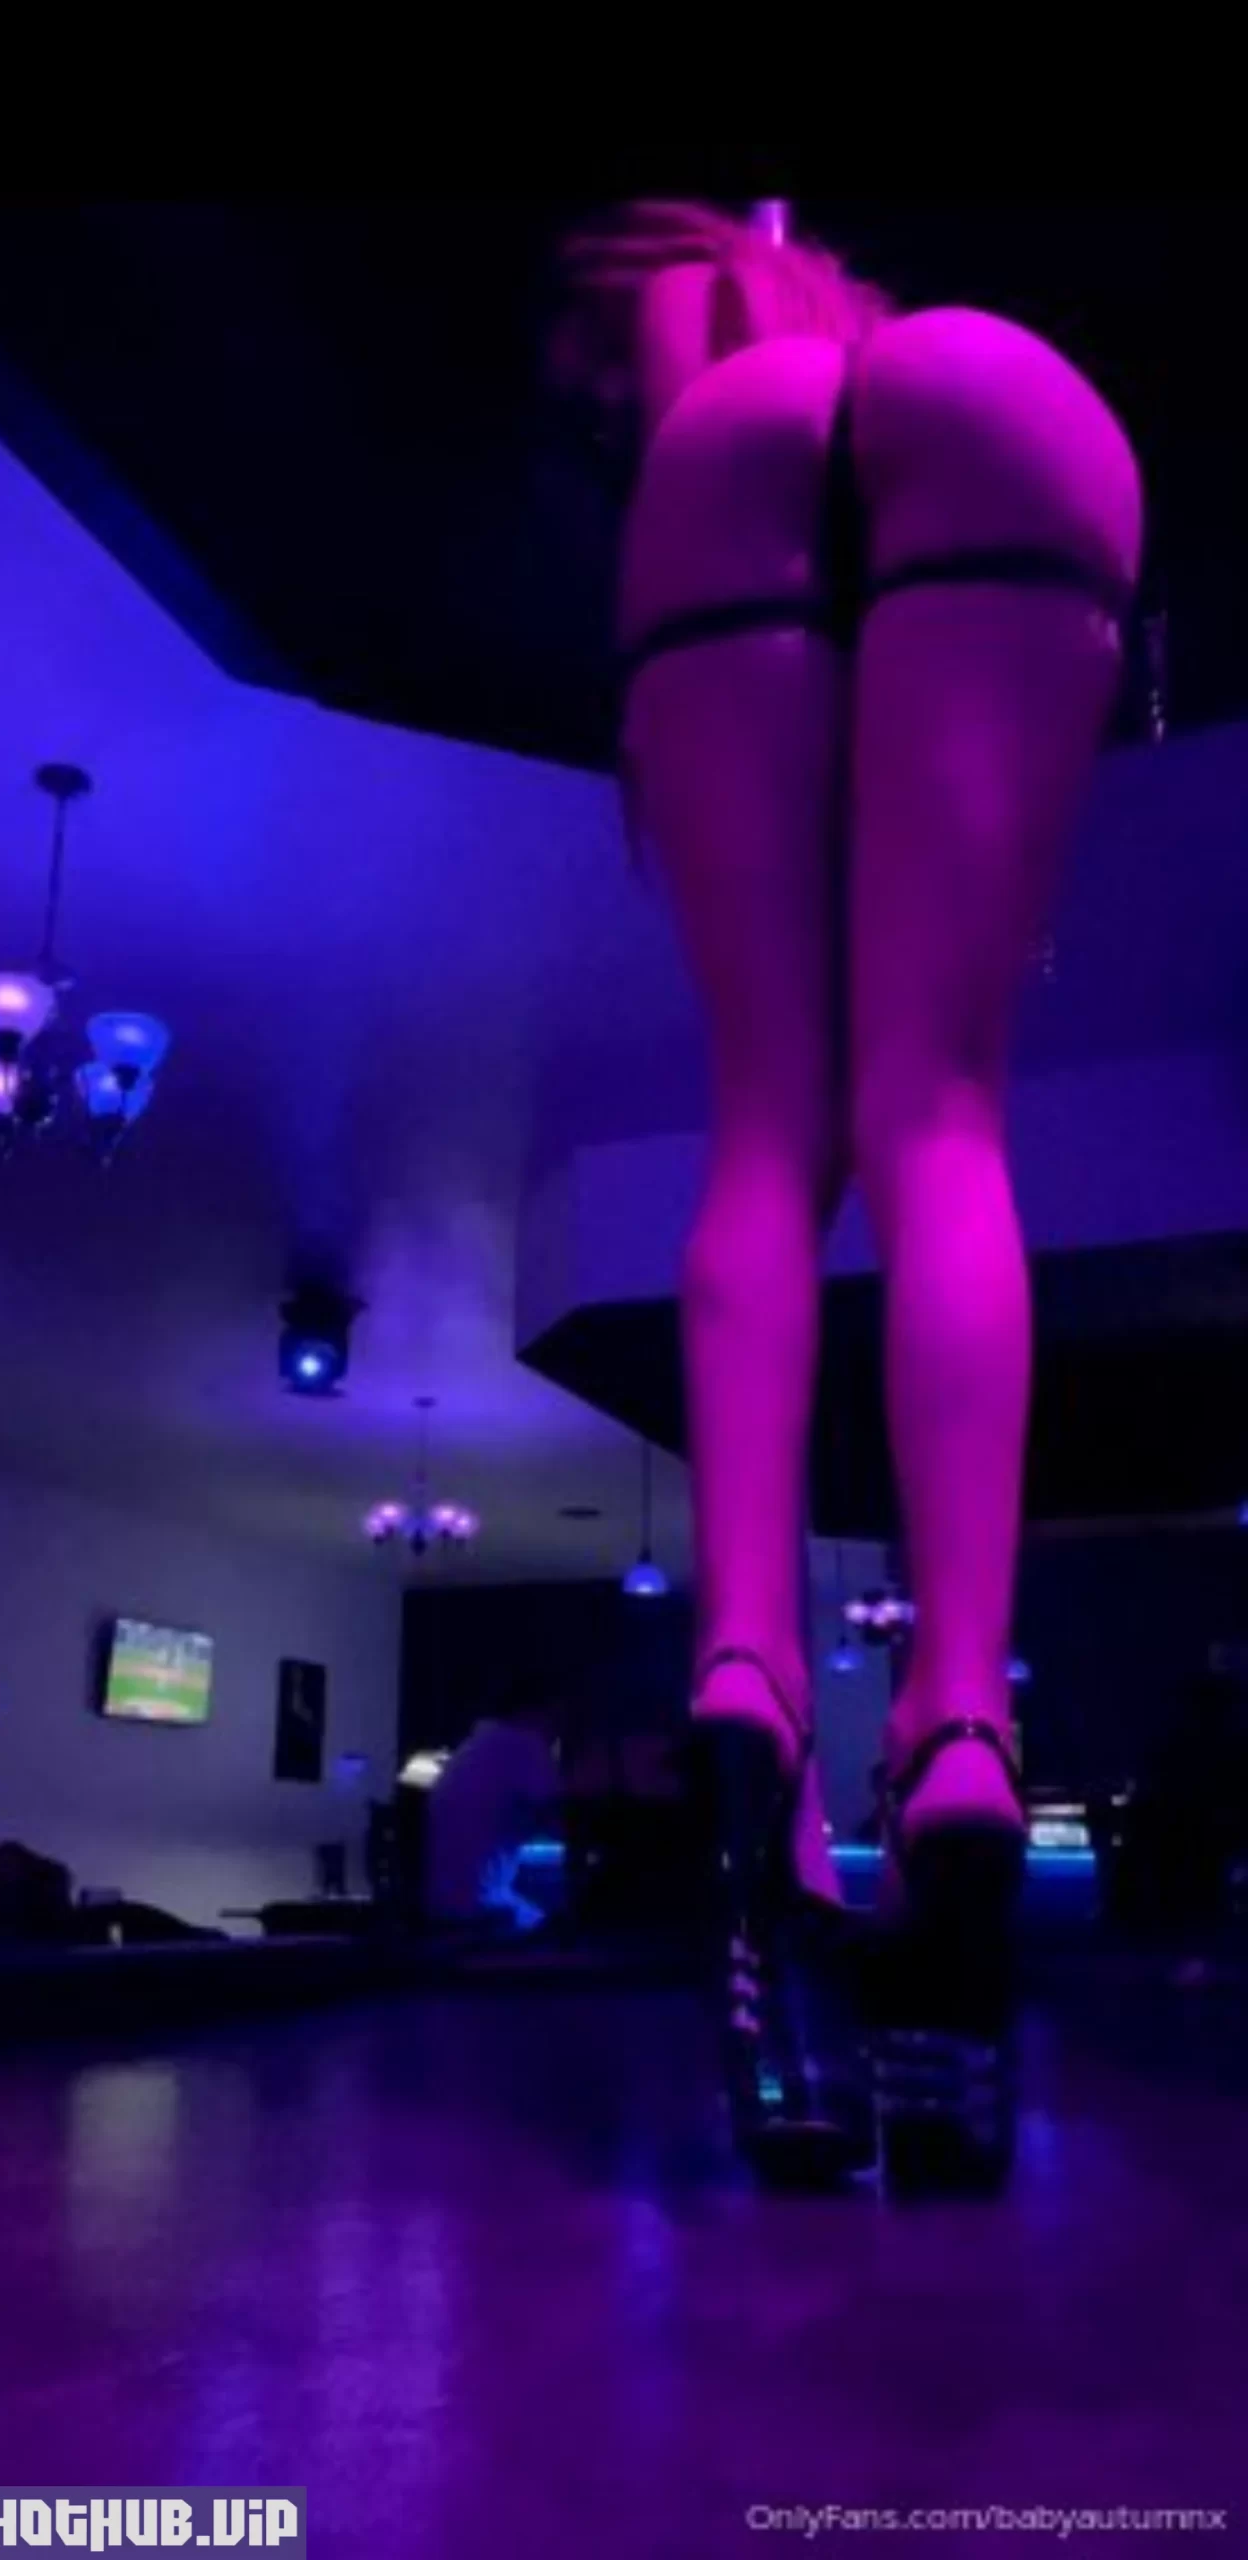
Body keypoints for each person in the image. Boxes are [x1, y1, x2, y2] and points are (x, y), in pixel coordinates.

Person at [552, 201, 1141, 2180]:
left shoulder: (683, 321)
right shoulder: (835, 303)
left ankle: (751, 1676)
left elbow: (681, 395)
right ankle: (957, 1717)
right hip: (1006, 412)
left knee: (765, 1127)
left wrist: (671, 411)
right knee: (938, 1112)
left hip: (722, 474)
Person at [425, 1691, 563, 1929]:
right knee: (567, 1933)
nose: (558, 1726)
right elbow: (558, 1821)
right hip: (482, 1907)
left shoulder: (473, 1745)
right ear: (533, 1712)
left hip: (439, 1903)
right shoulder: (525, 1744)